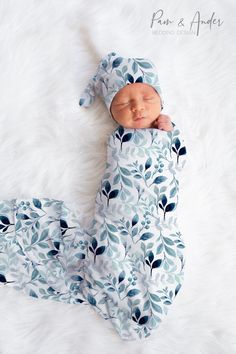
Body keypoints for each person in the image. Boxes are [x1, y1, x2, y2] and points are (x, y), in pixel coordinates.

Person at [0, 52, 187, 341]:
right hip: (115, 221)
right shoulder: (119, 140)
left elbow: (176, 167)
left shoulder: (168, 135)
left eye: (147, 99)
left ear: (161, 103)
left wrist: (171, 135)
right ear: (113, 114)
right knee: (107, 255)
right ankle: (126, 290)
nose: (137, 107)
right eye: (124, 103)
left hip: (158, 224)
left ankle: (144, 298)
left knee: (155, 258)